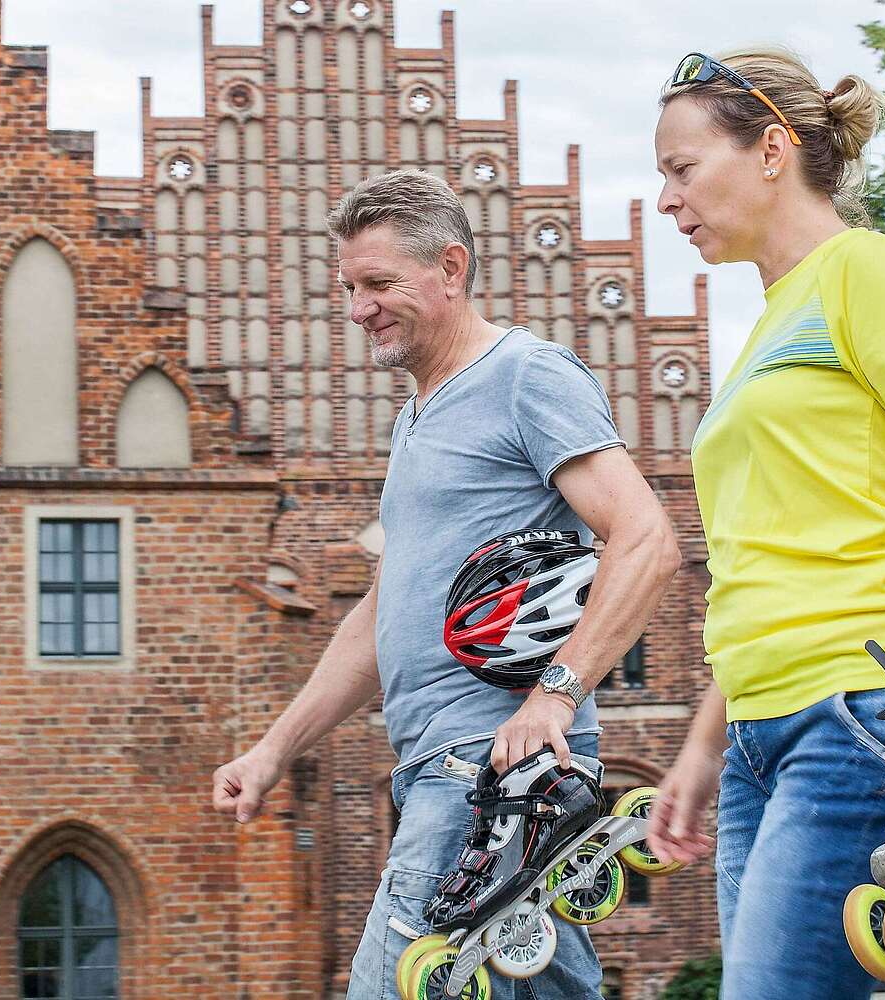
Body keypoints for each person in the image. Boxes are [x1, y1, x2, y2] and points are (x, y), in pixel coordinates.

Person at [210, 169, 682, 998]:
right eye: (350, 288)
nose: (359, 309)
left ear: (452, 269)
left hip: (490, 767)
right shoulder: (416, 418)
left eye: (379, 284)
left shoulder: (527, 377)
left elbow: (646, 539)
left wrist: (557, 696)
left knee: (391, 987)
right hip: (444, 759)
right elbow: (380, 617)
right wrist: (274, 748)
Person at [641, 49, 885, 1000]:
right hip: (759, 733)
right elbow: (764, 562)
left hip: (863, 708)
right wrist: (701, 743)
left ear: (772, 150)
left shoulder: (867, 271)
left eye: (681, 169)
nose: (665, 200)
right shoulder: (771, 325)